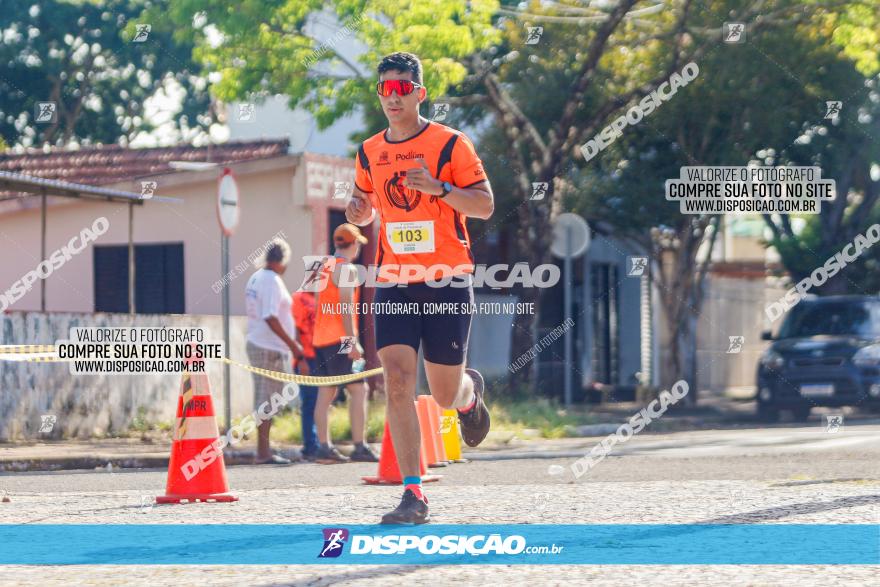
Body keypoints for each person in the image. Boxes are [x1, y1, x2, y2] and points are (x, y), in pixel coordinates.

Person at [346, 52, 494, 523]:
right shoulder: (370, 151)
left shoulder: (451, 145)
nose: (392, 96)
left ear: (418, 93)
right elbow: (367, 204)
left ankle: (469, 397)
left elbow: (486, 205)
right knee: (396, 382)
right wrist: (357, 212)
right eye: (384, 88)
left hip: (447, 281)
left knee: (445, 394)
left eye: (401, 88)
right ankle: (413, 493)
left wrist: (438, 188)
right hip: (392, 282)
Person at [311, 223, 379, 464]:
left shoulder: (324, 267)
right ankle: (360, 446)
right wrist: (353, 342)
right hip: (340, 339)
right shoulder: (347, 269)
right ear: (353, 245)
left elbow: (319, 301)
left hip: (320, 338)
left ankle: (323, 447)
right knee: (360, 390)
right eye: (358, 243)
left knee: (326, 392)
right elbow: (345, 307)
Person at [244, 238, 306, 464]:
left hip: (260, 343)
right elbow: (270, 316)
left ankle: (264, 449)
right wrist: (294, 345)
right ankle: (263, 452)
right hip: (268, 347)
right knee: (267, 401)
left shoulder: (257, 277)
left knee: (267, 400)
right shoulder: (270, 280)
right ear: (282, 260)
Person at [292, 288, 319, 461]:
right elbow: (294, 329)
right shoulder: (299, 298)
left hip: (322, 356)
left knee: (320, 403)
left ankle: (319, 444)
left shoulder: (322, 297)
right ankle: (310, 446)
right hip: (307, 359)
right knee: (310, 402)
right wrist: (300, 359)